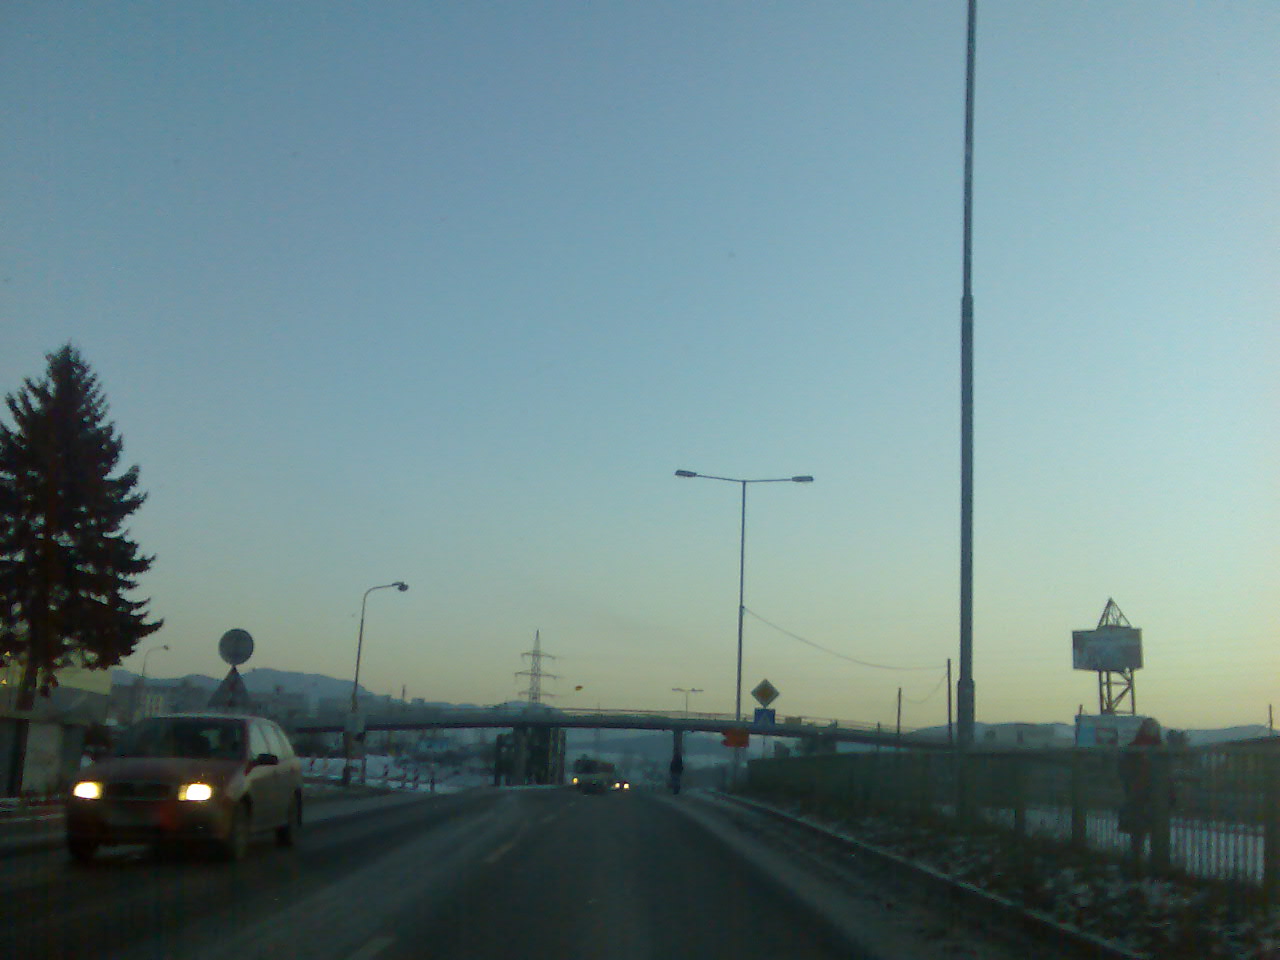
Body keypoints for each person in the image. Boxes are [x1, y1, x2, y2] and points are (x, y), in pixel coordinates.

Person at [1118, 718, 1163, 865]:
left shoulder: (1159, 748)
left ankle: (1153, 858)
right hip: (1140, 793)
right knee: (1140, 826)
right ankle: (1139, 857)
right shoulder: (1136, 748)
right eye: (1149, 728)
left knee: (1154, 826)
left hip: (1153, 793)